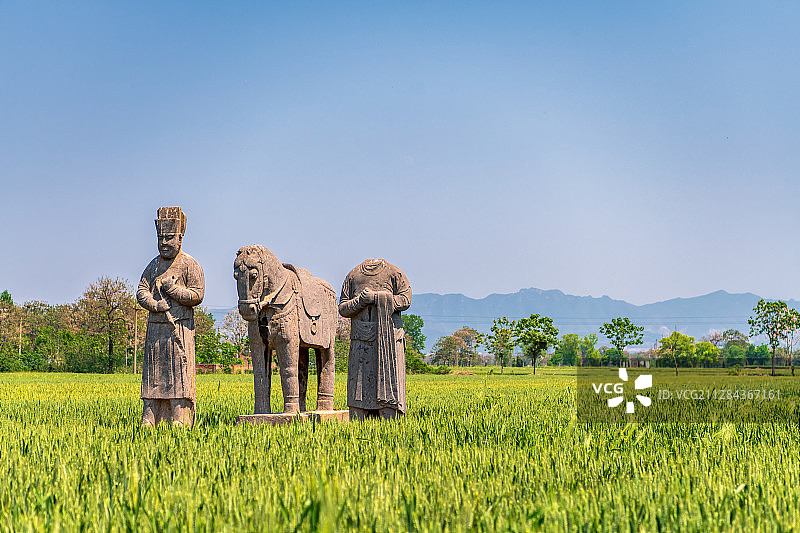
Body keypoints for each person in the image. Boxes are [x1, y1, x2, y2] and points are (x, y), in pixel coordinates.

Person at [136, 207, 204, 426]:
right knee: (153, 374)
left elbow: (197, 294)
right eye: (160, 238)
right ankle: (150, 416)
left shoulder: (190, 264)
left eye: (169, 238)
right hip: (156, 329)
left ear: (180, 238)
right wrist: (155, 304)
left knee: (178, 373)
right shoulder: (153, 265)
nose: (164, 243)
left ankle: (180, 416)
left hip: (180, 329)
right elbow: (141, 291)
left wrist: (173, 290)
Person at [339, 259, 411, 420]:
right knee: (358, 389)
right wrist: (360, 301)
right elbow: (343, 308)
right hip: (361, 339)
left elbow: (406, 300)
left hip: (390, 339)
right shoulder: (353, 276)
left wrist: (376, 297)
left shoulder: (394, 273)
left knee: (389, 396)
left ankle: (389, 411)